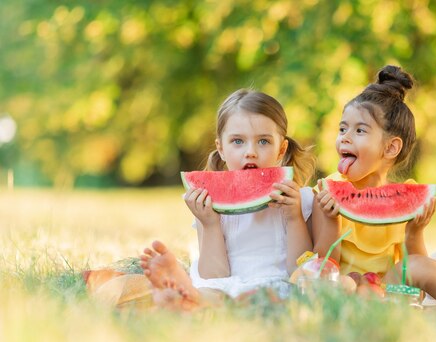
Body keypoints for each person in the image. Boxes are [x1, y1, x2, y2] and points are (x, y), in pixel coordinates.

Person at [90, 89, 315, 309]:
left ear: (281, 149)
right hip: (223, 288)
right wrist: (210, 223)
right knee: (210, 295)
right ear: (221, 148)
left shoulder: (297, 200)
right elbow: (214, 275)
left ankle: (183, 293)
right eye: (238, 141)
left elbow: (300, 270)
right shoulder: (209, 203)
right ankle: (179, 288)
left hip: (275, 288)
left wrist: (294, 217)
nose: (251, 152)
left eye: (263, 141)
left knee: (260, 299)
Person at [312, 65, 436, 307]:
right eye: (342, 128)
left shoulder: (406, 195)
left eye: (360, 130)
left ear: (391, 148)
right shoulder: (329, 190)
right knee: (337, 282)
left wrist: (415, 234)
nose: (345, 137)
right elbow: (319, 269)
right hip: (346, 289)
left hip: (392, 290)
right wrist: (331, 222)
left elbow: (420, 272)